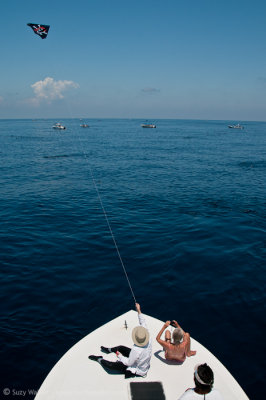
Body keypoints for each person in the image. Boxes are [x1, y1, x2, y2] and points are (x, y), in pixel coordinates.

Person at [89, 303, 152, 378]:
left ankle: (98, 359)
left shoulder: (136, 350)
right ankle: (109, 350)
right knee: (121, 347)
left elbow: (129, 363)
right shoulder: (148, 338)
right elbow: (143, 322)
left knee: (111, 365)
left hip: (138, 369)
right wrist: (138, 310)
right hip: (140, 360)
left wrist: (120, 356)